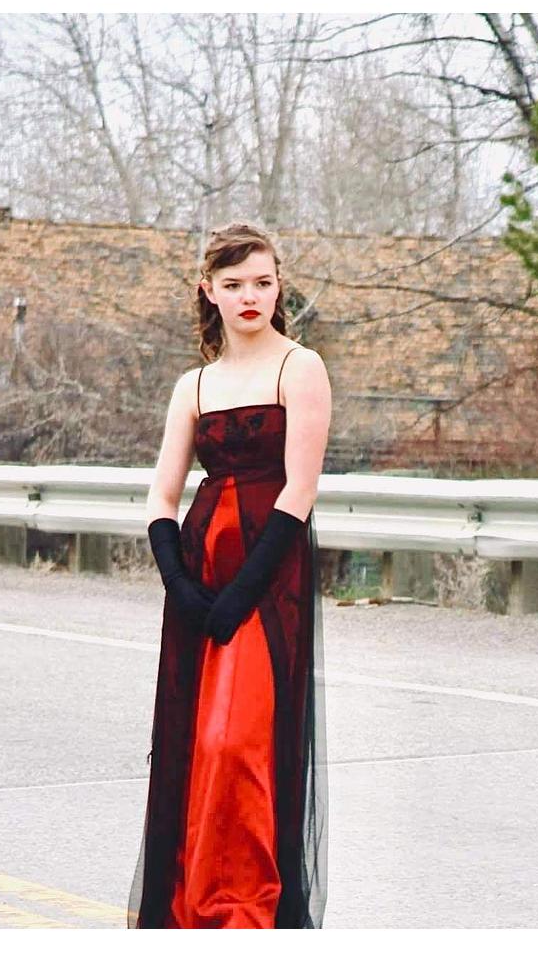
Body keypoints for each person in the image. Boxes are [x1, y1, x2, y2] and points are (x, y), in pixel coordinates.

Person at [127, 221, 331, 929]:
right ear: (209, 291)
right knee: (193, 739)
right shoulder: (194, 385)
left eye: (263, 283)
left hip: (267, 577)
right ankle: (191, 905)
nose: (251, 296)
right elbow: (161, 495)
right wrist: (180, 586)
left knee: (237, 742)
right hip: (199, 571)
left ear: (279, 288)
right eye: (235, 284)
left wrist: (244, 592)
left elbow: (299, 490)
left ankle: (244, 908)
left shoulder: (299, 367)